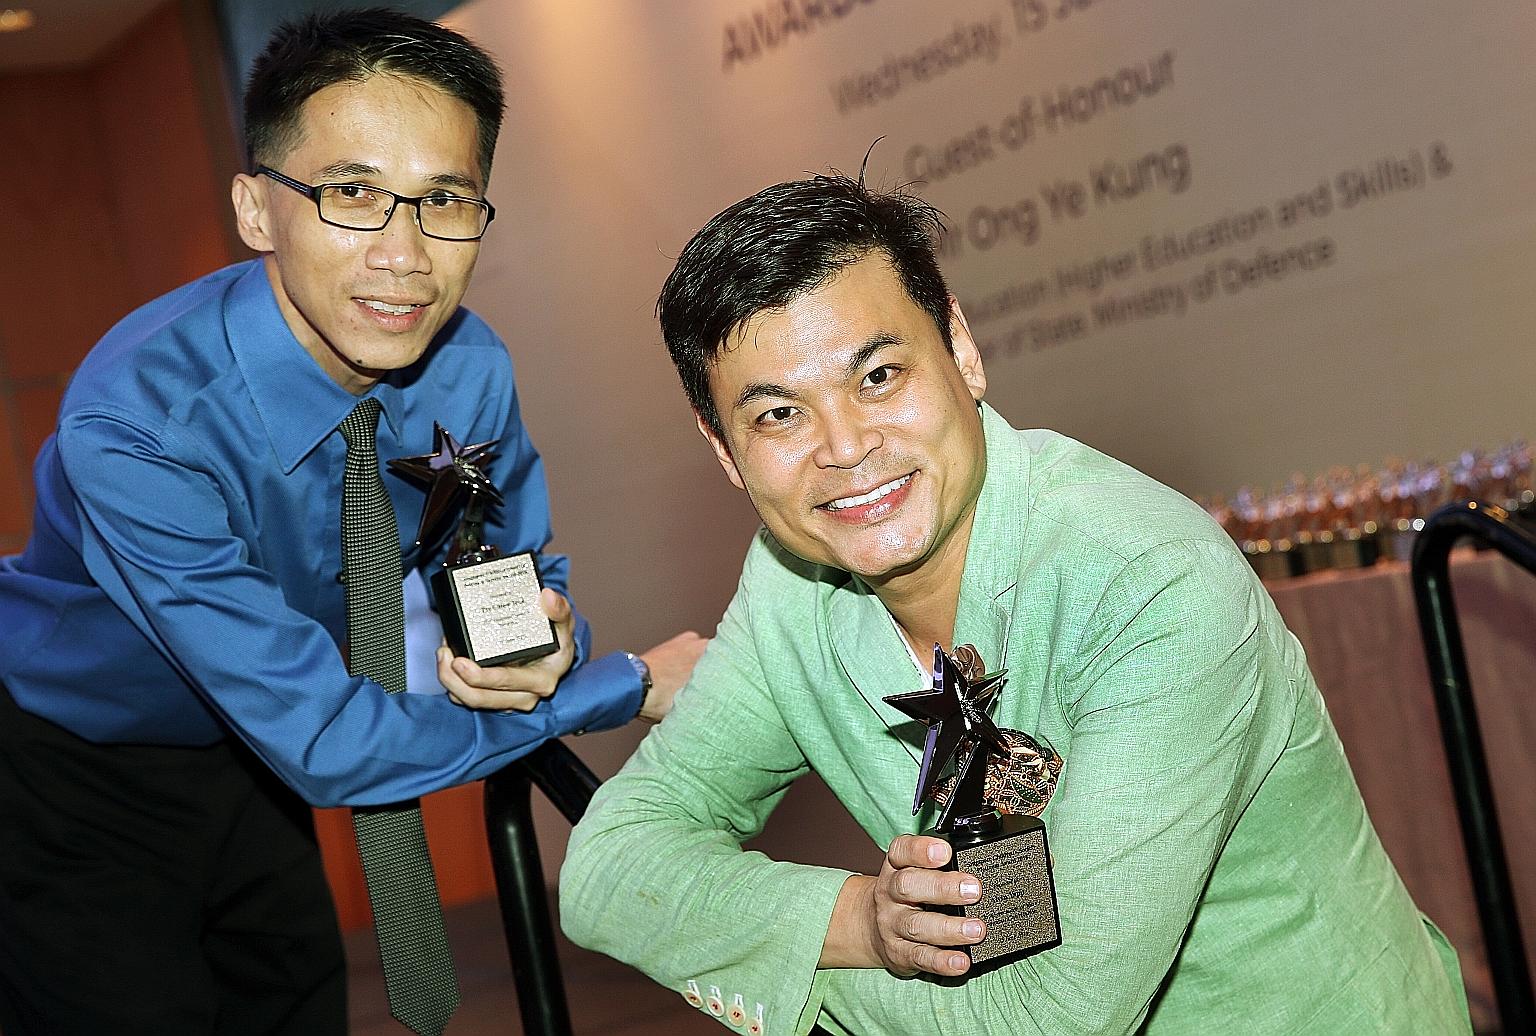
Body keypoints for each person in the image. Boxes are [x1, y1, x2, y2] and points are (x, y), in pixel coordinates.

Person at [559, 173, 1472, 1035]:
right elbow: (606, 867)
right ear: (726, 453)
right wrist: (856, 925)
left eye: (878, 376)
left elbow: (1055, 1014)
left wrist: (763, 954)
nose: (845, 447)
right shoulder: (793, 585)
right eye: (778, 416)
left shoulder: (1149, 581)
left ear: (961, 349)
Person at [0, 9, 704, 1034]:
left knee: (295, 1012)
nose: (405, 255)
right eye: (354, 194)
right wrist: (614, 688)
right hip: (71, 768)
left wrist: (538, 645)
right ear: (256, 207)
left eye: (444, 200)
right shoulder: (140, 421)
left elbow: (511, 574)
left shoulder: (467, 366)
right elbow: (327, 741)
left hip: (253, 751)